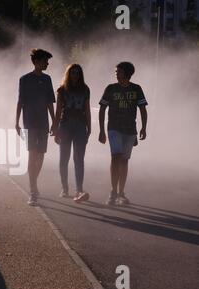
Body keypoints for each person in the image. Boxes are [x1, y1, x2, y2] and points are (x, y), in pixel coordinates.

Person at [99, 61, 148, 205]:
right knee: (116, 157)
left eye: (118, 71)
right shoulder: (111, 88)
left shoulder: (136, 89)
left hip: (130, 130)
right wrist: (102, 130)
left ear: (127, 73)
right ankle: (113, 192)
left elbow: (143, 109)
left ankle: (121, 193)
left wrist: (143, 128)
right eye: (116, 72)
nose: (116, 74)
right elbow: (102, 109)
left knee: (125, 160)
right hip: (114, 128)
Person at [15, 48, 56, 206]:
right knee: (32, 155)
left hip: (43, 123)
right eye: (45, 60)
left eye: (47, 61)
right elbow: (20, 101)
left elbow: (49, 102)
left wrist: (55, 122)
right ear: (36, 61)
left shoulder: (47, 79)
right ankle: (33, 190)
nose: (47, 63)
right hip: (29, 123)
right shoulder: (24, 79)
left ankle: (34, 182)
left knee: (41, 155)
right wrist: (16, 123)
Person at [53, 64, 91, 203]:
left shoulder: (85, 89)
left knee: (79, 158)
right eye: (72, 73)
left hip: (80, 125)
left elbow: (87, 109)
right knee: (64, 158)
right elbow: (58, 111)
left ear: (80, 75)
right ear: (68, 74)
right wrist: (55, 129)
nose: (75, 75)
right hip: (65, 126)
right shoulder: (62, 90)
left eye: (77, 73)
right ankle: (65, 188)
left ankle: (79, 189)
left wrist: (89, 127)